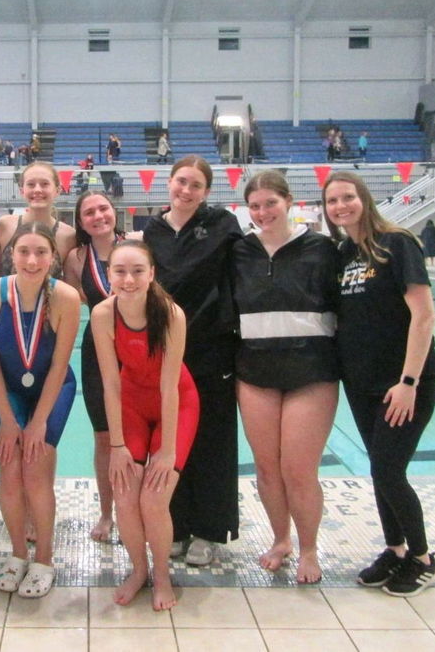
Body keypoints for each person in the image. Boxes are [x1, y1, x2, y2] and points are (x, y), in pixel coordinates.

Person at [323, 171, 435, 598]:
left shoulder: (397, 243)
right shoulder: (343, 253)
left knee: (389, 469)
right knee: (379, 469)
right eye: (333, 200)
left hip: (402, 382)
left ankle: (424, 558)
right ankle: (395, 549)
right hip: (363, 383)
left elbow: (423, 315)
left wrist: (409, 380)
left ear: (364, 198)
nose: (341, 206)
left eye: (348, 197)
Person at [231, 171, 339, 584]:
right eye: (255, 206)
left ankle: (309, 547)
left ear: (289, 202)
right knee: (266, 468)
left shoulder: (323, 249)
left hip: (312, 371)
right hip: (255, 369)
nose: (262, 213)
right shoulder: (240, 251)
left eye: (270, 204)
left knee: (298, 469)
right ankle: (281, 540)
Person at [142, 155, 242, 566]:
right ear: (168, 183)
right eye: (181, 182)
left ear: (206, 192)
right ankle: (178, 525)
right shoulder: (153, 229)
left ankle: (210, 530)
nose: (186, 191)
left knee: (212, 440)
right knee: (170, 441)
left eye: (195, 186)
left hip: (210, 348)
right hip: (165, 352)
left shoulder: (222, 225)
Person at [91, 240, 199, 611]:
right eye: (120, 271)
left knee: (154, 499)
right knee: (124, 494)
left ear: (152, 275)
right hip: (132, 405)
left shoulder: (170, 314)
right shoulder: (103, 314)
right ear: (109, 276)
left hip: (177, 403)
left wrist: (166, 451)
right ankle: (138, 570)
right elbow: (110, 383)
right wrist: (117, 446)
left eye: (138, 271)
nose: (129, 279)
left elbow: (170, 387)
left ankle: (163, 575)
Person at [0, 223, 80, 599]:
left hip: (54, 390)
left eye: (41, 253)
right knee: (9, 468)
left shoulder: (66, 297)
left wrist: (36, 425)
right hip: (7, 392)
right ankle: (19, 554)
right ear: (11, 254)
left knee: (35, 469)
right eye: (23, 252)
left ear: (53, 257)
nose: (32, 261)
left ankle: (45, 558)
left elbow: (58, 365)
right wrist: (6, 418)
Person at [63, 191, 124, 543]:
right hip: (98, 348)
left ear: (114, 212)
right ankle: (107, 513)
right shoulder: (76, 257)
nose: (98, 215)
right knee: (104, 437)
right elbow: (79, 299)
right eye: (89, 212)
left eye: (103, 208)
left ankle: (141, 506)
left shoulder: (137, 243)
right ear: (81, 221)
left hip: (138, 347)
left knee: (140, 434)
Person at [0, 161, 76, 275]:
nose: (37, 190)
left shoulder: (68, 235)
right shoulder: (6, 225)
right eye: (31, 184)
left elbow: (68, 284)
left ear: (58, 190)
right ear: (22, 191)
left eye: (44, 184)